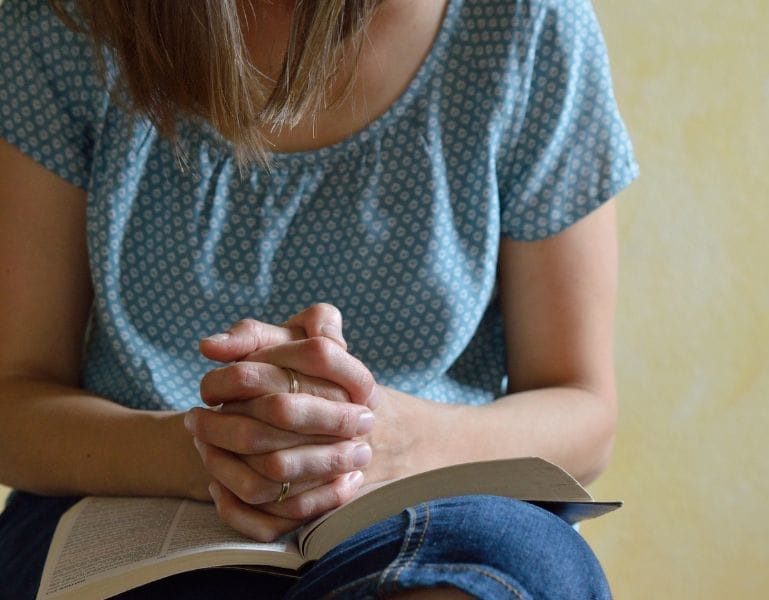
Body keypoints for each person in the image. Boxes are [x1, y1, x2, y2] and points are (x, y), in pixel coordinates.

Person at [0, 0, 638, 597]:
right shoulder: (67, 22)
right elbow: (15, 399)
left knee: (506, 573)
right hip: (129, 492)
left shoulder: (524, 24)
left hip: (435, 495)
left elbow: (584, 416)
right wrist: (215, 451)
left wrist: (383, 443)